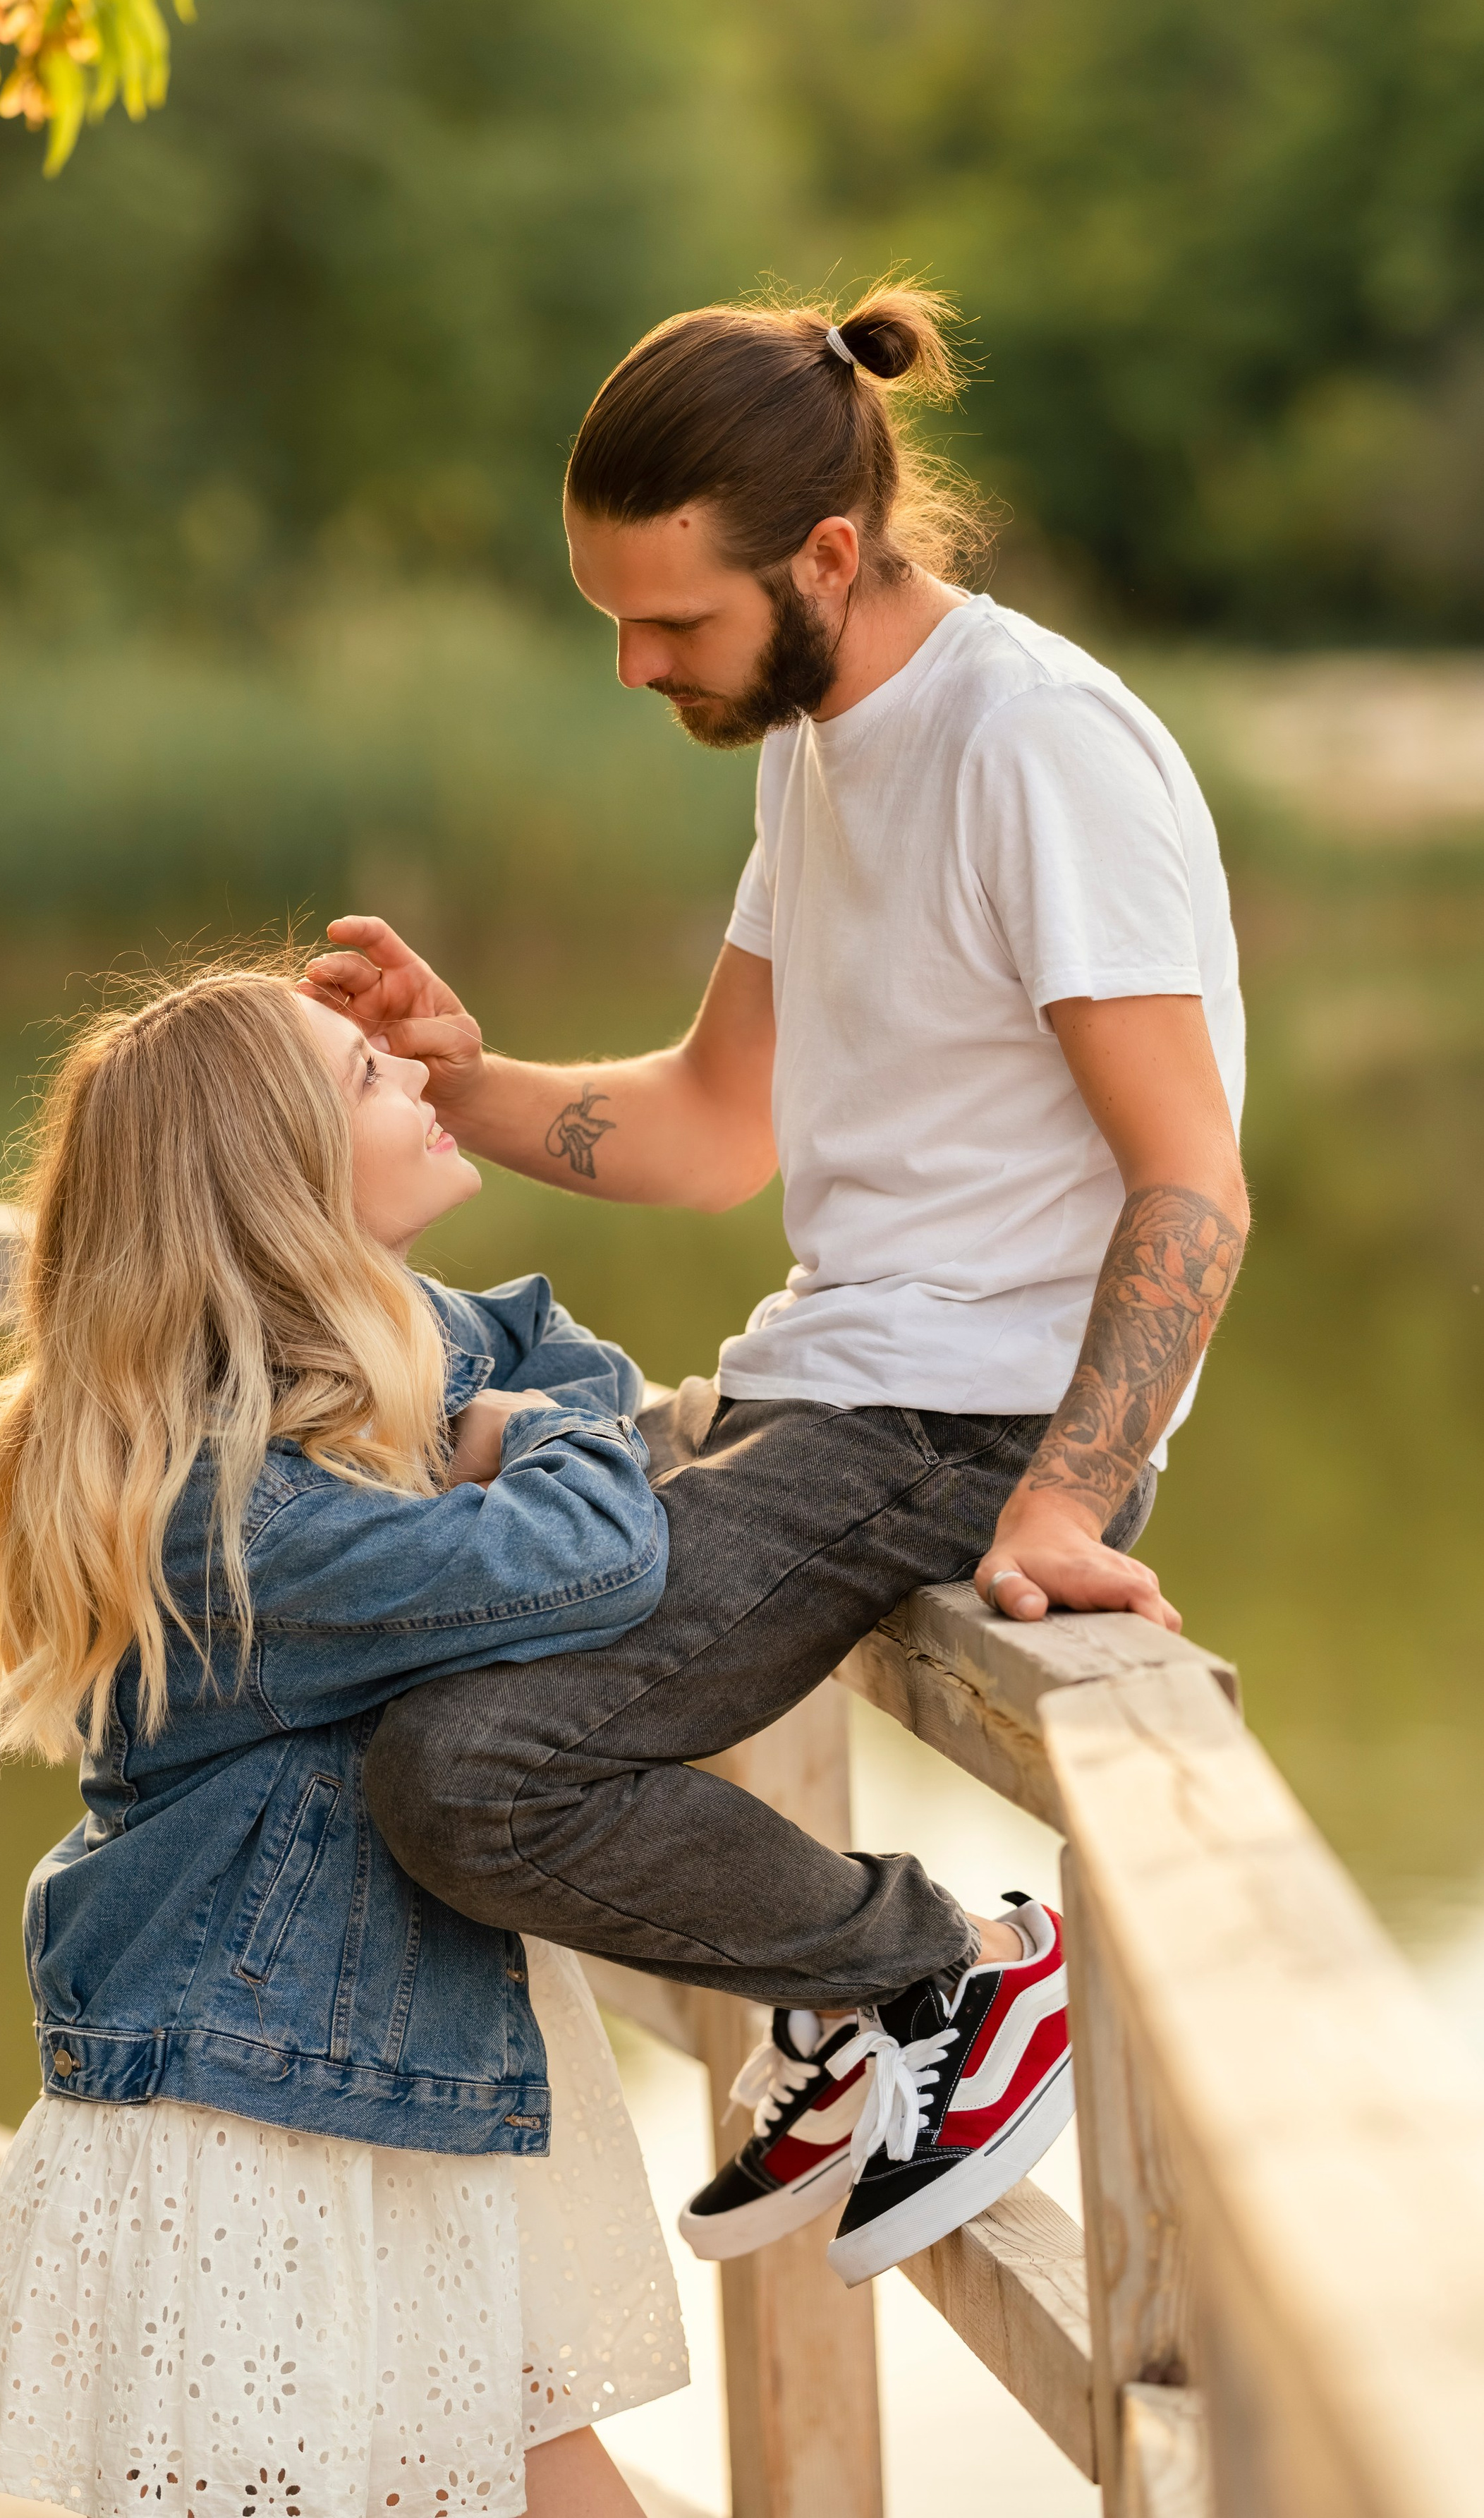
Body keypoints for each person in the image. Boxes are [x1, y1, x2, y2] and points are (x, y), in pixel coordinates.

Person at [302, 280, 1249, 2289]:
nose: (641, 665)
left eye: (676, 623)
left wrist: (1069, 1495)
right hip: (818, 1394)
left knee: (466, 1771)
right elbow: (718, 1125)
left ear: (826, 553)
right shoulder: (821, 743)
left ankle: (947, 1977)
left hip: (958, 1427)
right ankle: (849, 2002)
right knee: (359, 1591)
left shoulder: (1034, 747)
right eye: (615, 621)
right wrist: (461, 1076)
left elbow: (1190, 1179)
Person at [0, 963, 693, 2518]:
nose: (420, 1079)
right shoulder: (245, 1517)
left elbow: (555, 1350)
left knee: (539, 2465)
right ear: (275, 1187)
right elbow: (600, 1551)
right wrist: (523, 1441)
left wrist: (506, 1421)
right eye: (365, 1076)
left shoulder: (350, 1419)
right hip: (250, 2129)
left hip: (386, 2070)